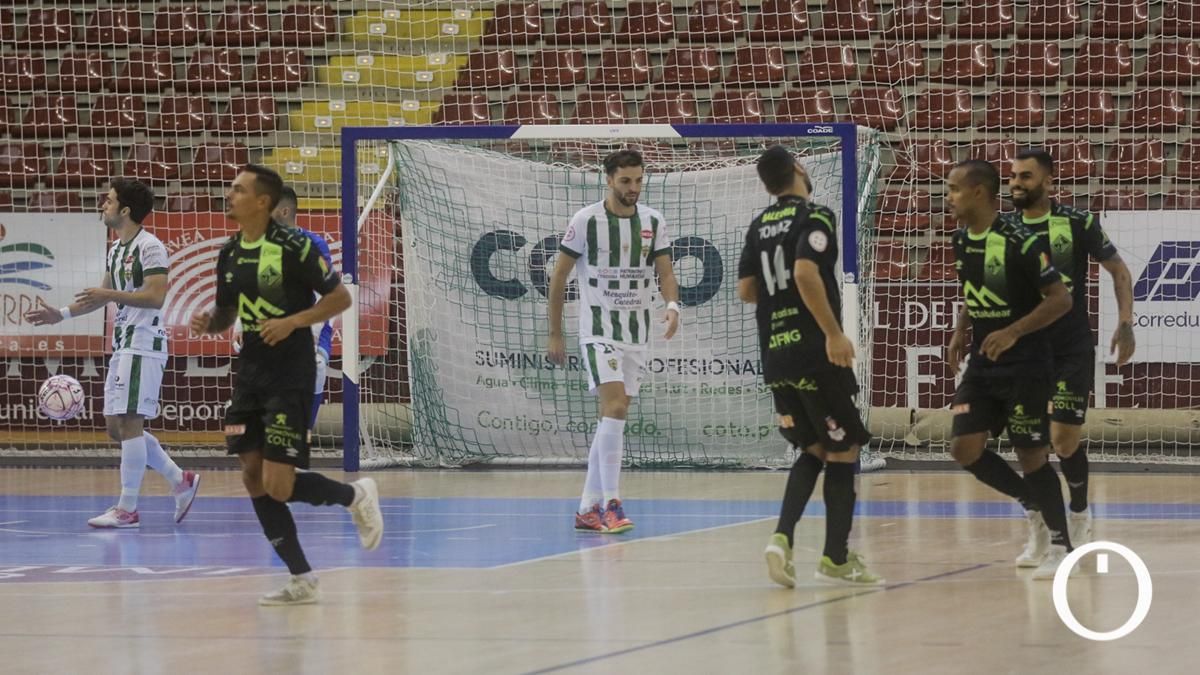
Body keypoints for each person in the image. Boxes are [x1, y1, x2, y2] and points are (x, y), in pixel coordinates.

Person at [189, 164, 383, 606]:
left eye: (238, 189)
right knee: (252, 476)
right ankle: (301, 578)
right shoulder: (230, 252)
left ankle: (355, 495)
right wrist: (209, 322)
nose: (230, 194)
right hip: (250, 373)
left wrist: (292, 321)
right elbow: (226, 313)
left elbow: (340, 298)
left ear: (263, 202)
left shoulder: (294, 246)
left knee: (279, 484)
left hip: (289, 373)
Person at [739, 145, 883, 588]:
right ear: (799, 169)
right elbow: (804, 273)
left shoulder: (759, 224)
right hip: (813, 353)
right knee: (845, 449)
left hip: (776, 354)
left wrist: (780, 308)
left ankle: (781, 538)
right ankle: (835, 558)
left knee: (815, 449)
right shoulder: (815, 216)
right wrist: (832, 334)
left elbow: (747, 289)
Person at [26, 178, 200, 529]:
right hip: (123, 343)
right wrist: (58, 315)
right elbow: (99, 296)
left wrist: (112, 297)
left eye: (108, 201)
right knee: (115, 429)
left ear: (125, 210)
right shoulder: (117, 249)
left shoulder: (150, 247)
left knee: (131, 423)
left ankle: (128, 508)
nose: (102, 205)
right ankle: (180, 480)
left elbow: (155, 297)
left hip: (143, 342)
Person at [944, 159, 1075, 580]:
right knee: (964, 448)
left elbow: (1060, 300)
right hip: (984, 361)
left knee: (1031, 454)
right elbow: (971, 289)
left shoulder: (1018, 239)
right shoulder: (960, 240)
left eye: (954, 190)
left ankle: (1060, 545)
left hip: (1025, 363)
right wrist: (960, 331)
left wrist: (1014, 331)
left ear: (979, 192)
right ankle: (1032, 505)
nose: (949, 198)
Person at [546, 149, 680, 534]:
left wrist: (672, 305)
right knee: (616, 408)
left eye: (638, 180)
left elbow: (666, 273)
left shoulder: (654, 221)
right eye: (625, 181)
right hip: (598, 331)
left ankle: (587, 507)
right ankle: (611, 503)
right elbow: (558, 279)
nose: (633, 188)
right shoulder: (585, 221)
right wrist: (555, 333)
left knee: (613, 418)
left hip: (637, 333)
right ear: (608, 180)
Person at [1008, 149, 1135, 554]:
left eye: (1025, 177)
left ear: (1047, 182)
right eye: (1012, 176)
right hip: (1024, 353)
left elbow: (1119, 270)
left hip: (1070, 348)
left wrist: (1126, 322)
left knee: (1063, 441)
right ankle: (1040, 527)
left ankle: (1079, 512)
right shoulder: (1004, 228)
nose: (1016, 183)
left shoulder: (1077, 222)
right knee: (1030, 443)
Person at [232, 186, 334, 436]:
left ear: (284, 210)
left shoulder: (313, 243)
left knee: (316, 365)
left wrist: (312, 330)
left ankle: (304, 433)